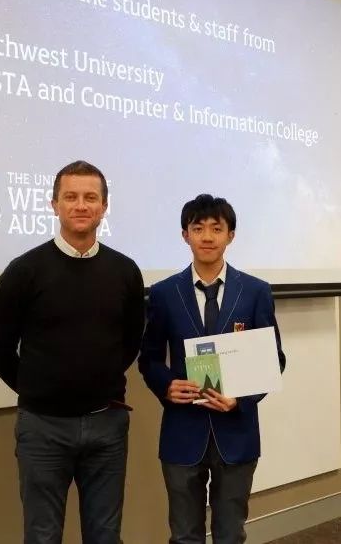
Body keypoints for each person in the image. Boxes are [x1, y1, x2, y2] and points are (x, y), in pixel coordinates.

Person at [0, 160, 144, 544]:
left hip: (107, 426)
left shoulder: (125, 271)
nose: (81, 205)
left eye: (91, 197)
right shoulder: (24, 271)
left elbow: (129, 342)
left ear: (104, 206)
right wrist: (41, 389)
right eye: (71, 197)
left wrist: (94, 383)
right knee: (42, 536)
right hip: (43, 428)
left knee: (105, 535)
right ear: (54, 204)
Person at [138, 194, 285, 544]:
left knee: (230, 534)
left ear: (230, 235)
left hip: (236, 433)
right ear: (185, 235)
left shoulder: (255, 292)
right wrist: (166, 385)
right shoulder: (164, 293)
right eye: (198, 228)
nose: (207, 237)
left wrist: (241, 399)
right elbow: (149, 358)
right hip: (182, 432)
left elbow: (274, 359)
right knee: (184, 535)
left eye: (216, 229)